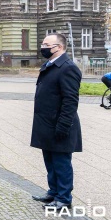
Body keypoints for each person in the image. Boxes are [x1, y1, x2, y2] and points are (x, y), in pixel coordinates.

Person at [30, 33, 82, 210]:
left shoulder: (68, 68)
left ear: (58, 47)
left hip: (60, 125)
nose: (43, 46)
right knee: (50, 161)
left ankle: (64, 199)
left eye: (46, 44)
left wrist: (63, 126)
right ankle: (53, 192)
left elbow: (70, 101)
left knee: (61, 163)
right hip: (46, 124)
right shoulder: (50, 65)